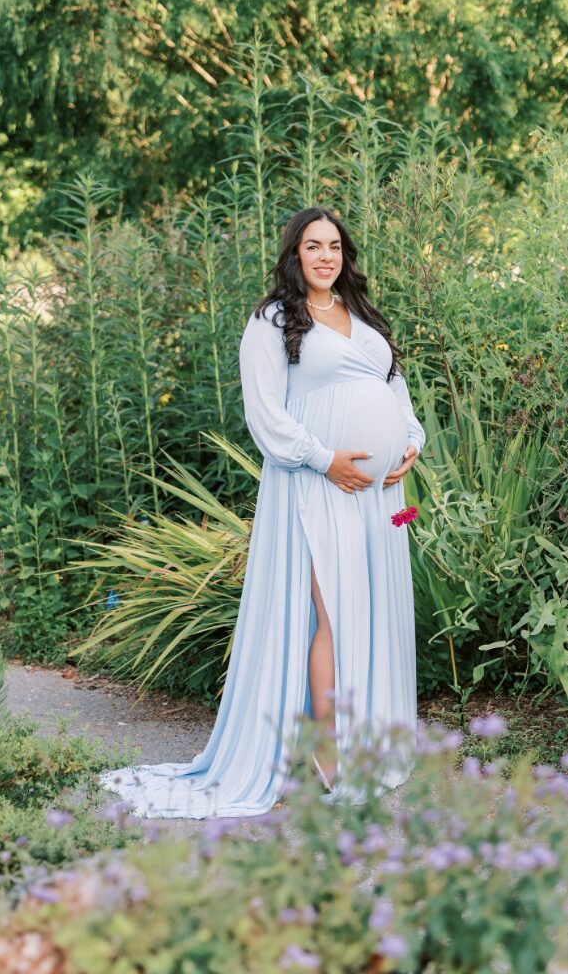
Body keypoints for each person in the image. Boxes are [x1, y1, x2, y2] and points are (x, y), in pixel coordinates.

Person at [101, 208, 426, 818]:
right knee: (332, 612)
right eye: (313, 246)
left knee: (373, 613)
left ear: (344, 255)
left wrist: (410, 444)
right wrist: (326, 459)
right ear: (294, 254)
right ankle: (329, 755)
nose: (325, 256)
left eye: (334, 246)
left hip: (380, 490)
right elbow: (266, 416)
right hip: (319, 484)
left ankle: (372, 745)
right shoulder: (273, 320)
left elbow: (396, 394)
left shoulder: (364, 320)